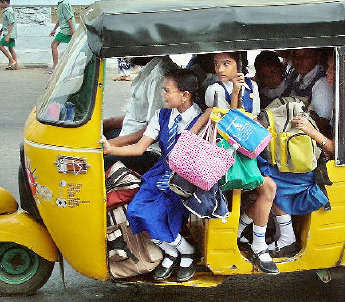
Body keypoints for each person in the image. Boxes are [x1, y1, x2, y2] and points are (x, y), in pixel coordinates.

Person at [99, 69, 202, 282]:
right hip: (161, 172)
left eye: (167, 91)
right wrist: (111, 149)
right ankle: (177, 250)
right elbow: (139, 148)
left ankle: (187, 252)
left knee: (156, 216)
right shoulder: (161, 116)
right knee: (136, 213)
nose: (163, 95)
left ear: (185, 94)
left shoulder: (201, 119)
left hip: (184, 178)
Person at [191, 52, 279, 275]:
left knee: (269, 187)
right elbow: (227, 120)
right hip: (223, 151)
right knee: (266, 187)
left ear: (239, 66)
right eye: (217, 64)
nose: (220, 69)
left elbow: (254, 115)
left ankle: (250, 237)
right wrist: (237, 93)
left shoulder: (253, 87)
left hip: (247, 148)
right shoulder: (215, 89)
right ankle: (255, 242)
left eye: (226, 64)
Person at [103, 56, 179, 174]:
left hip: (148, 152)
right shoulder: (150, 68)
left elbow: (154, 130)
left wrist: (113, 144)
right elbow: (137, 115)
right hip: (130, 138)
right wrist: (106, 124)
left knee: (97, 162)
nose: (125, 55)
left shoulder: (159, 78)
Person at [285, 48, 334, 137]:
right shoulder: (296, 76)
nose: (300, 61)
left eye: (306, 56)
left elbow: (323, 122)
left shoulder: (322, 83)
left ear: (317, 57)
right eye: (296, 56)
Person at [46, 0, 76, 74]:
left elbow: (69, 18)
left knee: (54, 45)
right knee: (72, 47)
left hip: (66, 30)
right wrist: (54, 29)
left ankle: (55, 67)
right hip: (65, 29)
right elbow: (61, 19)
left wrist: (73, 32)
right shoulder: (60, 4)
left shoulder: (64, 4)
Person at [0, 0, 18, 70]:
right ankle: (16, 65)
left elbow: (11, 23)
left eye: (0, 3)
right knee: (10, 48)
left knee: (0, 45)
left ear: (3, 2)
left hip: (9, 33)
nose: (0, 5)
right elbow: (6, 23)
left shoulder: (8, 11)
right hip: (9, 32)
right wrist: (1, 30)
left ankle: (11, 60)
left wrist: (8, 35)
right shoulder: (8, 10)